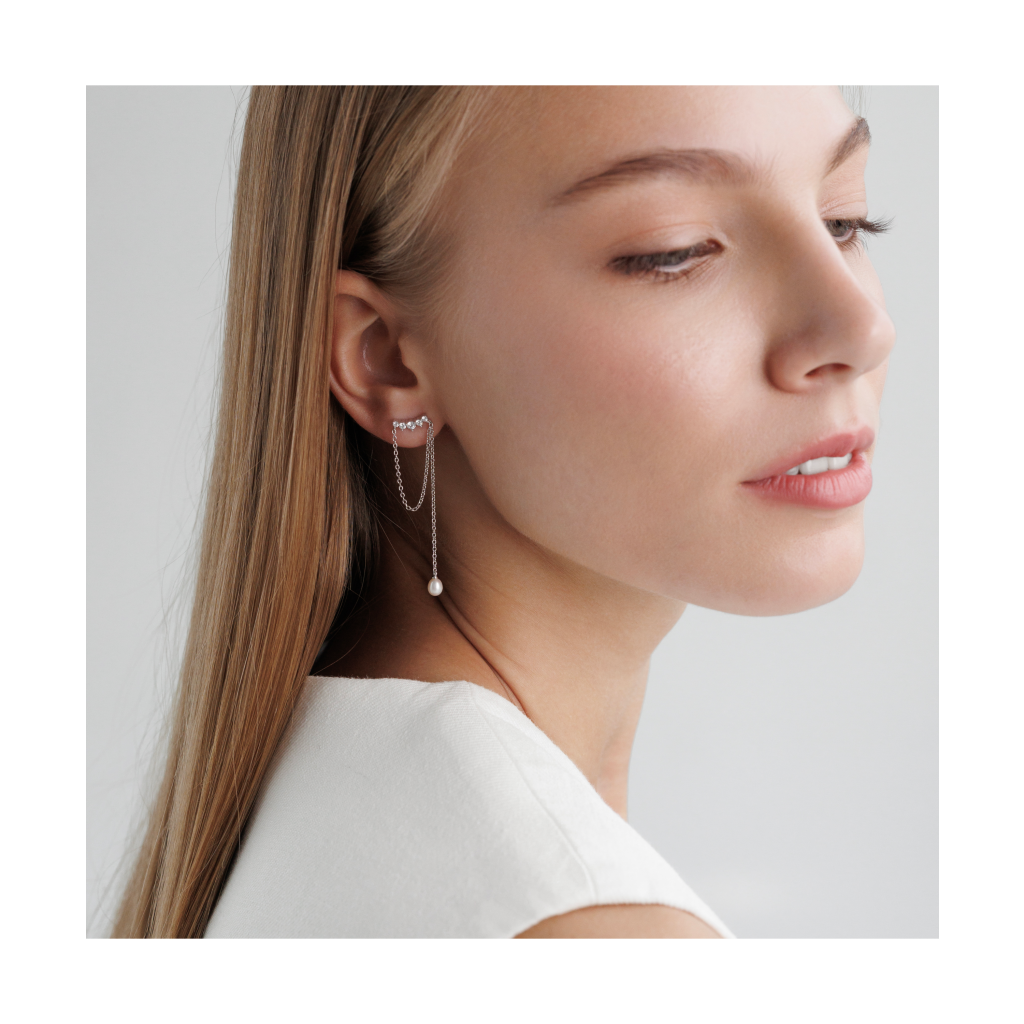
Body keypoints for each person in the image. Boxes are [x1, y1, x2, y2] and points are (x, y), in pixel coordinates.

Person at [112, 85, 894, 939]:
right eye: (673, 251)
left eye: (843, 219)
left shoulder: (313, 795)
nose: (860, 327)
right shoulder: (588, 930)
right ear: (383, 358)